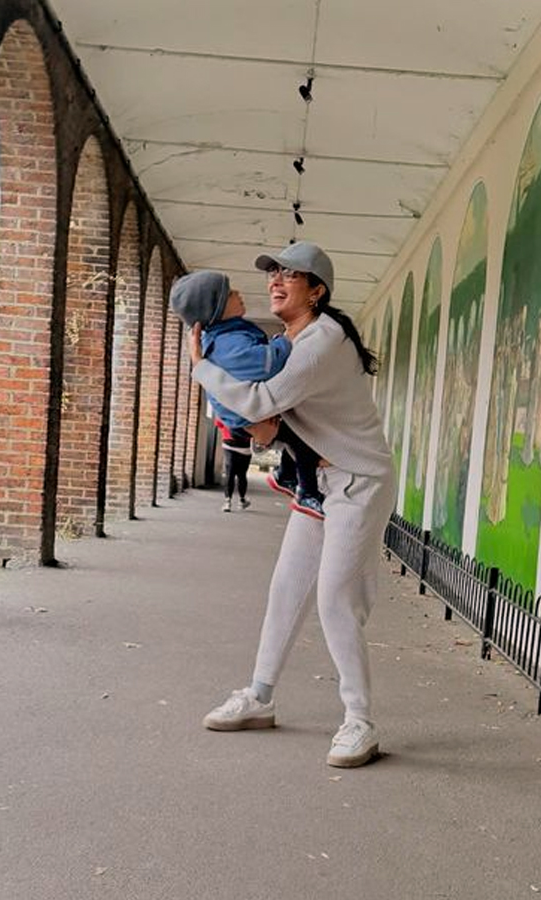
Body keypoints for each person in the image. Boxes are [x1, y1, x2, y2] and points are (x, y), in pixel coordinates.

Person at [190, 241, 397, 768]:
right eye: (273, 273)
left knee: (334, 599)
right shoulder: (289, 339)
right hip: (318, 483)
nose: (276, 280)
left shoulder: (322, 341)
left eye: (291, 274)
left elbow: (261, 402)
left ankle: (359, 721)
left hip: (357, 482)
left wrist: (202, 367)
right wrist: (268, 434)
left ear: (317, 290)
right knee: (286, 589)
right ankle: (259, 697)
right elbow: (278, 423)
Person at [169, 270, 326, 518]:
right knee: (303, 440)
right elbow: (266, 364)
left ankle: (287, 474)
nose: (238, 293)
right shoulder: (228, 344)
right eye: (230, 293)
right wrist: (286, 340)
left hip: (246, 414)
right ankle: (306, 492)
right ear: (217, 308)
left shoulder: (228, 335)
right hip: (245, 417)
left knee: (296, 435)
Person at [214, 417, 252, 512]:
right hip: (245, 447)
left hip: (229, 444)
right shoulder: (246, 410)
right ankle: (242, 500)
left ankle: (227, 502)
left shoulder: (225, 409)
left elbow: (219, 424)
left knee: (229, 473)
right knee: (242, 475)